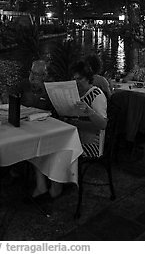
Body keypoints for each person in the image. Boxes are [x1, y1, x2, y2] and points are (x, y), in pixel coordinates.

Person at [31, 61, 107, 200]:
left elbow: (102, 125)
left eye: (80, 79)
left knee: (55, 147)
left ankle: (56, 186)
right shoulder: (73, 94)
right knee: (41, 144)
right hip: (73, 136)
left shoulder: (96, 94)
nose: (76, 82)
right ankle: (42, 185)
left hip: (91, 142)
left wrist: (88, 113)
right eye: (74, 79)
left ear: (88, 78)